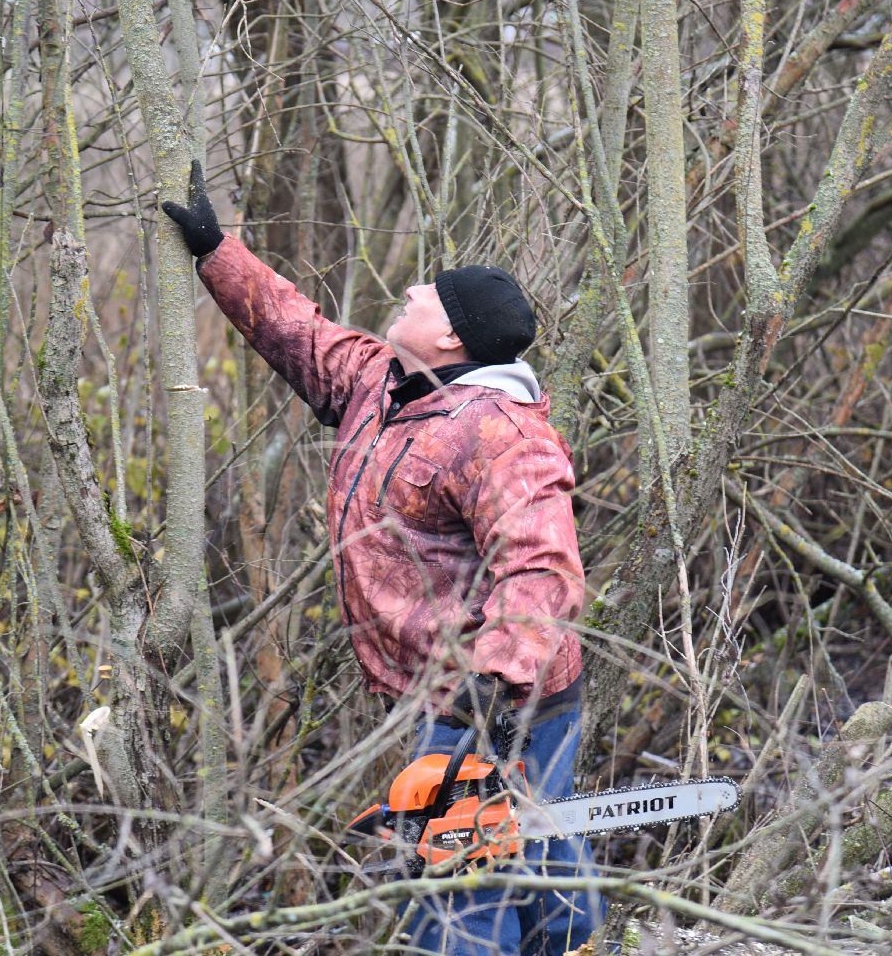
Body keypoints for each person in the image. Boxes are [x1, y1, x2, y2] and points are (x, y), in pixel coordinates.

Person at [164, 162, 602, 954]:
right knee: (540, 874)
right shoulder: (386, 383)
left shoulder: (500, 432)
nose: (408, 295)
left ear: (455, 336)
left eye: (427, 295)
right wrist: (214, 250)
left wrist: (490, 690)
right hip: (440, 690)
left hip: (498, 701)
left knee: (454, 897)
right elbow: (297, 330)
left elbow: (542, 571)